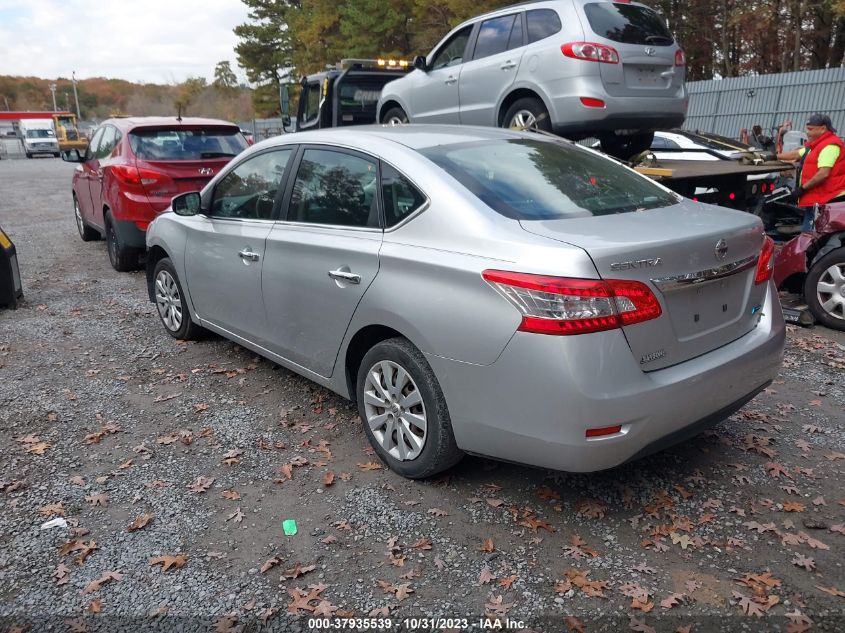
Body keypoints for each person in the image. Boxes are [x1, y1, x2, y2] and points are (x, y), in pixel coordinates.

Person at [776, 113, 845, 230]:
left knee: (811, 235)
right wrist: (775, 157)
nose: (807, 132)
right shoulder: (815, 145)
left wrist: (802, 189)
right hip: (819, 197)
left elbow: (823, 173)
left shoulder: (829, 146)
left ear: (823, 128)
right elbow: (797, 153)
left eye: (810, 129)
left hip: (828, 199)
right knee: (809, 233)